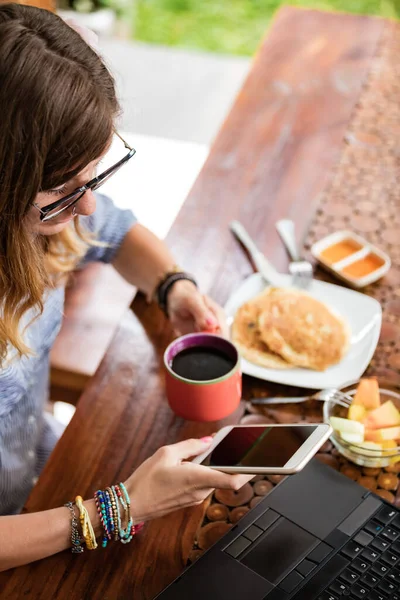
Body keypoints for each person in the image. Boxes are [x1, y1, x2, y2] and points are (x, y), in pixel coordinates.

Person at [0, 4, 251, 571]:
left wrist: (172, 286)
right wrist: (122, 507)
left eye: (95, 174)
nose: (87, 203)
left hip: (36, 462)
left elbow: (115, 229)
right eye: (63, 189)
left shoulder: (39, 217)